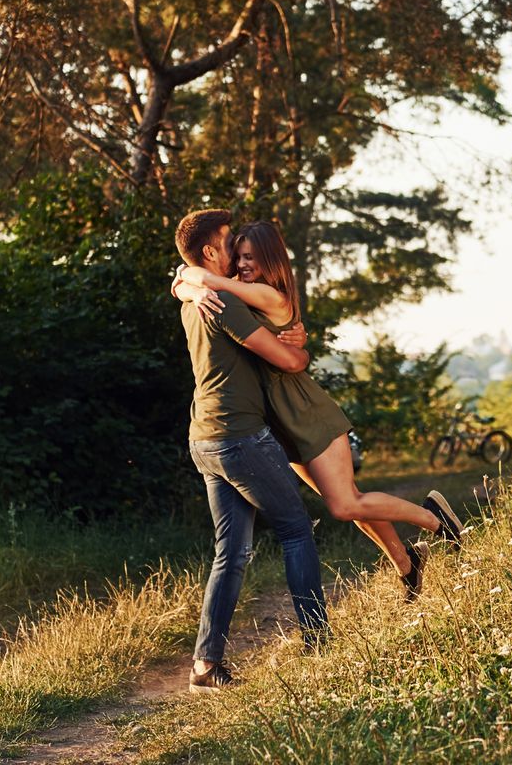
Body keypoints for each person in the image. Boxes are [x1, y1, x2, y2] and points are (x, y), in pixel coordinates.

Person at [172, 220, 464, 601]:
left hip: (305, 410)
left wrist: (189, 283)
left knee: (345, 504)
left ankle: (434, 519)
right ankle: (408, 565)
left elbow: (219, 287)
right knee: (347, 501)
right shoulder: (240, 293)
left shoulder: (270, 295)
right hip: (280, 421)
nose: (242, 264)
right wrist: (186, 286)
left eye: (250, 258)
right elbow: (208, 286)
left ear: (269, 260)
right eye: (238, 255)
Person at [174, 208, 330, 693]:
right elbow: (286, 360)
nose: (236, 252)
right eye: (228, 243)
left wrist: (188, 283)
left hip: (204, 437)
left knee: (232, 552)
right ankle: (318, 644)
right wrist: (301, 348)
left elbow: (185, 285)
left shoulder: (192, 300)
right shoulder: (223, 302)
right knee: (297, 529)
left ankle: (205, 665)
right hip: (240, 436)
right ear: (209, 253)